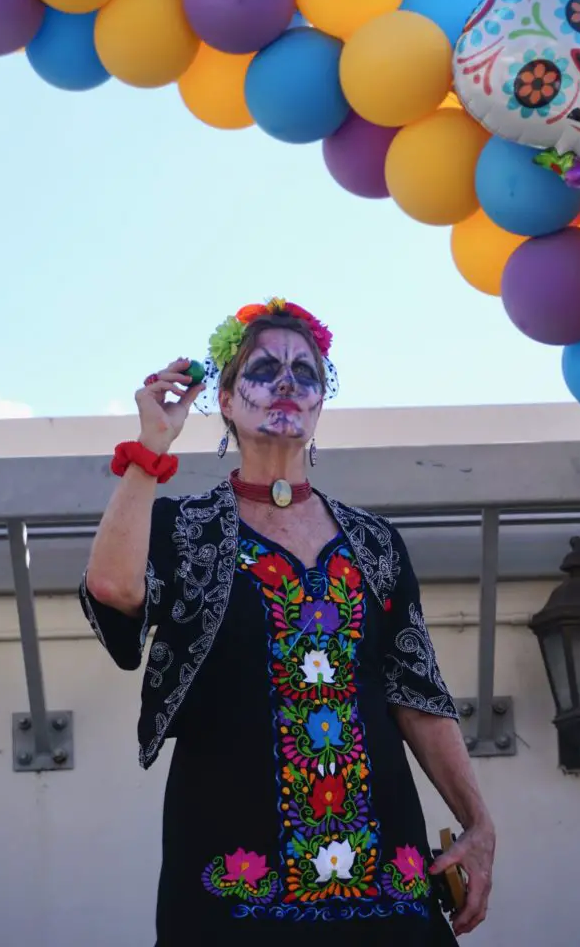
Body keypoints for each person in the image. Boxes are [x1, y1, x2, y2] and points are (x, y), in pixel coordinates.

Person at [80, 298, 495, 947]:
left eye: (306, 373)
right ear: (223, 398)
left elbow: (416, 694)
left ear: (320, 403)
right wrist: (150, 447)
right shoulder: (184, 529)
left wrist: (477, 823)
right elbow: (112, 586)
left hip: (385, 875)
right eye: (263, 368)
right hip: (232, 873)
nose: (286, 383)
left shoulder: (373, 542)